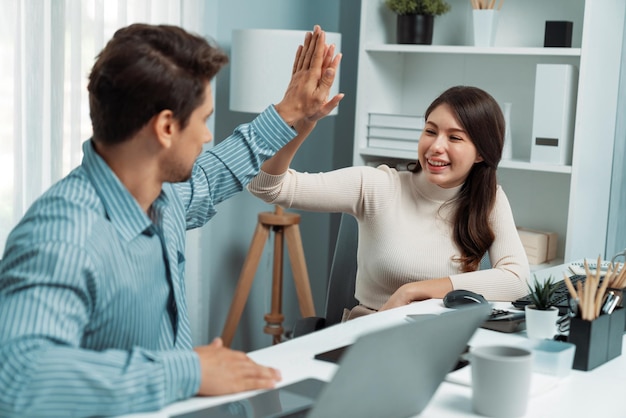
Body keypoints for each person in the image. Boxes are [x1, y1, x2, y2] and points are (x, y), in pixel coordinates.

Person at [0, 23, 342, 417]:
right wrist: (190, 371)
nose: (207, 135)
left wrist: (291, 112)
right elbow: (18, 375)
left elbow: (211, 177)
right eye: (204, 119)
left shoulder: (160, 199)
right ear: (165, 127)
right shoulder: (63, 235)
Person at [248, 85, 530, 318]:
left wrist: (414, 290)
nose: (435, 146)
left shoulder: (489, 200)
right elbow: (266, 187)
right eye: (430, 131)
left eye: (454, 137)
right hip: (370, 334)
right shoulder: (378, 186)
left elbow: (517, 281)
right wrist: (300, 127)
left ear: (481, 154)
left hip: (440, 338)